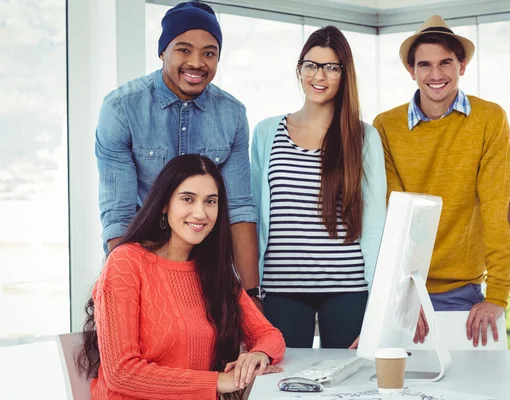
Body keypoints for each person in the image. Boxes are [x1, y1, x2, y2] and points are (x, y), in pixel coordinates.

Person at [95, 1, 263, 308]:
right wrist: (128, 292)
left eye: (209, 53)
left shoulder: (233, 115)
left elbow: (239, 210)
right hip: (142, 259)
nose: (197, 62)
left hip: (208, 265)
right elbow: (119, 217)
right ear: (163, 51)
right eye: (184, 50)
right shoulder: (122, 109)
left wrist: (252, 296)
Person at [77, 154, 286, 399]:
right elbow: (121, 373)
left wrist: (258, 355)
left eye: (210, 201)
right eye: (188, 199)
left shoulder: (214, 271)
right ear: (165, 204)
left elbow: (270, 335)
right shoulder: (126, 262)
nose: (200, 213)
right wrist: (218, 381)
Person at [373, 15, 510, 347]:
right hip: (406, 291)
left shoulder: (490, 119)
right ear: (411, 70)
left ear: (462, 65)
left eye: (445, 63)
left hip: (465, 293)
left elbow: (498, 208)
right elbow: (392, 216)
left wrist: (497, 294)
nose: (435, 74)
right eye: (424, 65)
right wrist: (402, 295)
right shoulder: (385, 127)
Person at [251, 26, 387, 349]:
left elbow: (375, 225)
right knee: (282, 384)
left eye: (331, 67)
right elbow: (254, 216)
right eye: (311, 65)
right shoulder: (266, 133)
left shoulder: (364, 138)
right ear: (299, 69)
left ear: (344, 74)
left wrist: (379, 308)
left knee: (348, 386)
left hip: (347, 288)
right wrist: (251, 290)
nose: (319, 75)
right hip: (281, 290)